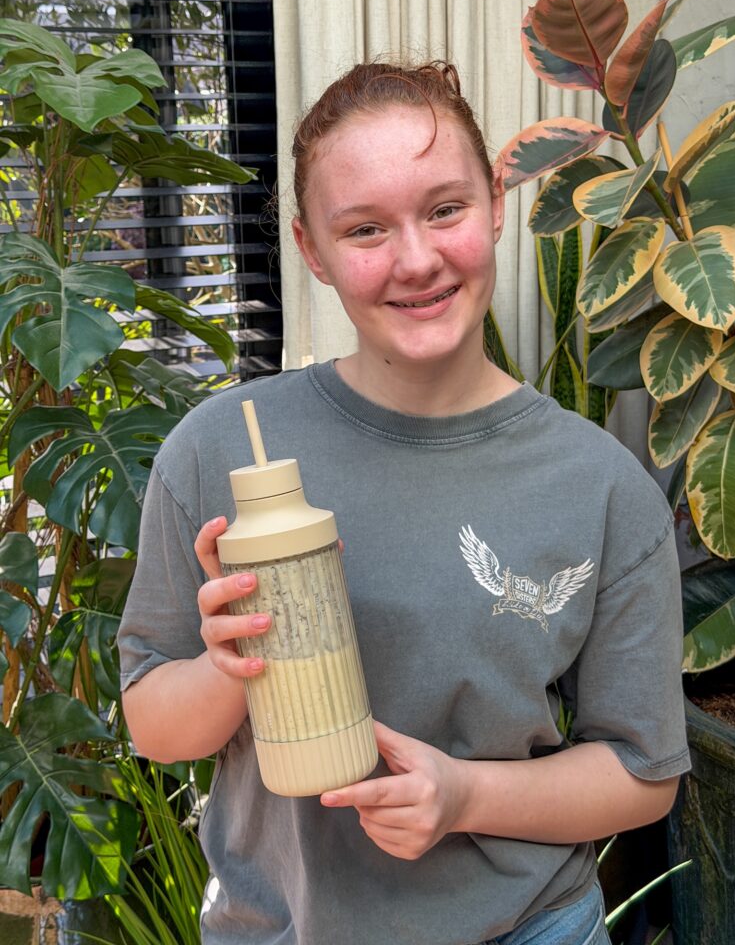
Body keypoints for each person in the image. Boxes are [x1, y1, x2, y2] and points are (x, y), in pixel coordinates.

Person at [118, 61, 691, 945]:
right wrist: (228, 667)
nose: (416, 260)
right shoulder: (218, 449)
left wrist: (465, 795)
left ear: (496, 204)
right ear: (311, 249)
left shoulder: (601, 485)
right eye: (365, 229)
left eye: (445, 209)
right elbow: (155, 727)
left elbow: (642, 772)